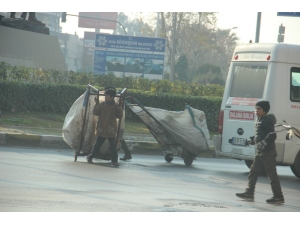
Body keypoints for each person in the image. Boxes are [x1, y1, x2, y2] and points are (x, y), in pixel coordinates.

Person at [236, 101, 284, 204]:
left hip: (268, 152)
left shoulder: (267, 120)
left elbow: (272, 135)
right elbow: (261, 134)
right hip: (261, 152)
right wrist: (253, 140)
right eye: (256, 109)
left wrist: (264, 143)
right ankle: (249, 193)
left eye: (259, 109)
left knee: (272, 175)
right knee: (253, 172)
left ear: (264, 110)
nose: (256, 111)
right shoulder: (260, 119)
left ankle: (278, 197)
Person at [86, 87, 123, 167]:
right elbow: (95, 113)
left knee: (113, 146)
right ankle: (90, 156)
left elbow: (119, 116)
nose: (105, 97)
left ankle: (114, 160)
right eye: (105, 96)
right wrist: (97, 104)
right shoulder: (102, 104)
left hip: (111, 129)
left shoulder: (116, 106)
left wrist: (120, 107)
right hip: (102, 128)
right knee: (98, 144)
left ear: (112, 97)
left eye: (107, 96)